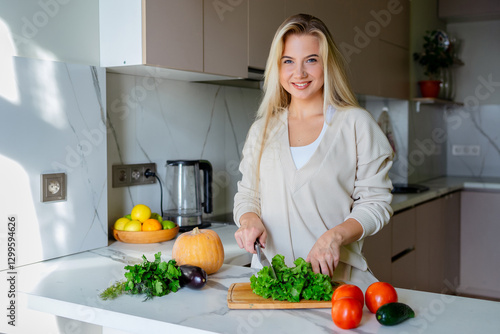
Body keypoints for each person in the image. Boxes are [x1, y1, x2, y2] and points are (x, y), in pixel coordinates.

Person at [233, 14, 393, 284]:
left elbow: (376, 203)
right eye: (288, 61)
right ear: (278, 68)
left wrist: (334, 237)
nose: (299, 73)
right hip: (273, 284)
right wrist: (249, 219)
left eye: (311, 60)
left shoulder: (356, 124)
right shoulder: (262, 131)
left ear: (327, 64)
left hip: (339, 285)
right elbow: (248, 195)